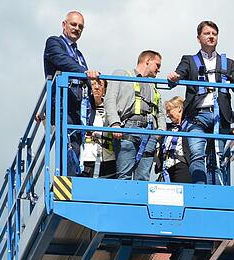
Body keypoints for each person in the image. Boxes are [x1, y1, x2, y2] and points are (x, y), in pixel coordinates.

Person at [166, 20, 234, 186]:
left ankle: (214, 191)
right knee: (196, 154)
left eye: (214, 34)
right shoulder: (189, 60)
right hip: (197, 116)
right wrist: (174, 78)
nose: (211, 37)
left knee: (217, 158)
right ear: (198, 38)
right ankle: (200, 191)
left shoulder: (228, 63)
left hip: (219, 117)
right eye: (207, 33)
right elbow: (178, 76)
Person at [43, 11, 101, 176]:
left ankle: (72, 178)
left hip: (77, 108)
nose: (77, 29)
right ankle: (67, 181)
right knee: (67, 145)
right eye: (73, 24)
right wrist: (85, 72)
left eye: (80, 26)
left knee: (75, 145)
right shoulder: (54, 42)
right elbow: (62, 61)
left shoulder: (79, 53)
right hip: (63, 105)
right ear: (64, 25)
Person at [104, 50, 167, 181]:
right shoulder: (121, 74)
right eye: (157, 65)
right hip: (128, 129)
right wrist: (115, 124)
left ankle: (140, 201)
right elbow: (110, 100)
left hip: (149, 133)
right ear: (147, 61)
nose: (158, 70)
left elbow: (160, 111)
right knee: (124, 175)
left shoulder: (152, 86)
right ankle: (125, 201)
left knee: (143, 177)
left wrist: (160, 132)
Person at [79, 79, 116, 178]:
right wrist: (45, 118)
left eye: (100, 84)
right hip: (88, 159)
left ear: (104, 89)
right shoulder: (82, 109)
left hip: (109, 159)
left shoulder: (112, 109)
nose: (96, 87)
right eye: (93, 84)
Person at [157, 96, 191, 183]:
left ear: (179, 108)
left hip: (182, 166)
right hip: (166, 168)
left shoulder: (190, 126)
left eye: (169, 110)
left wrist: (229, 130)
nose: (167, 115)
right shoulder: (167, 128)